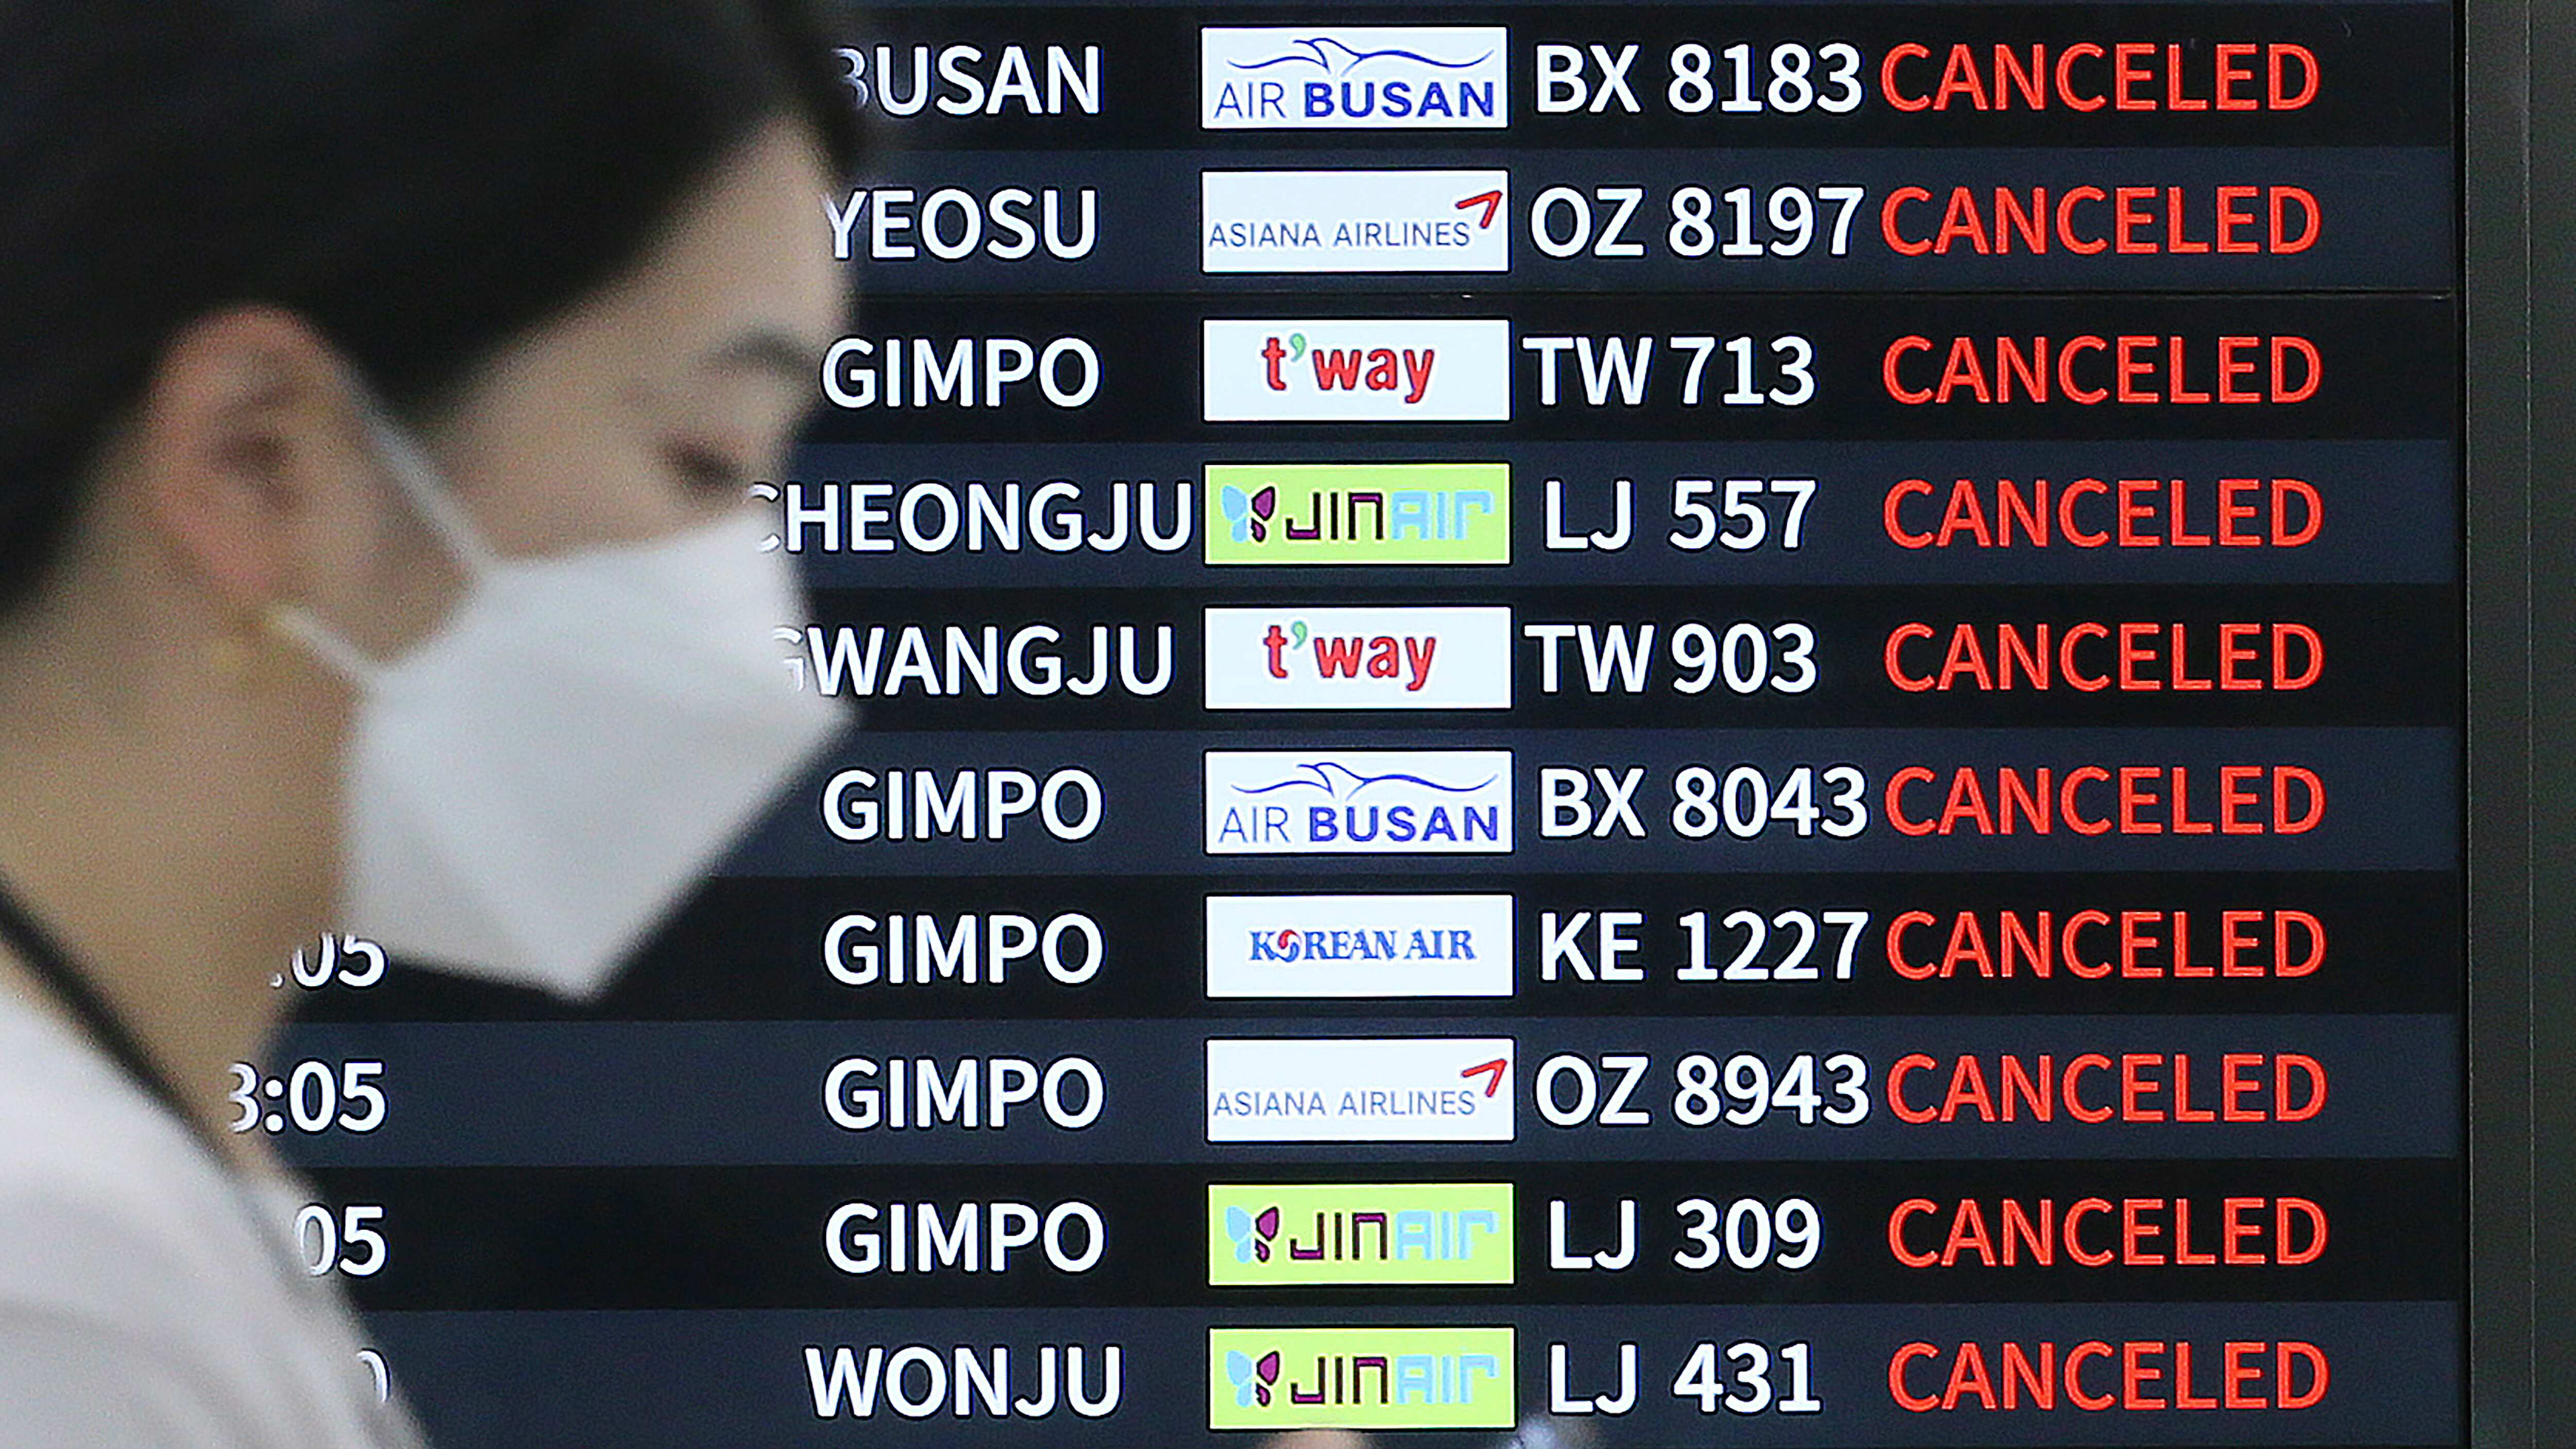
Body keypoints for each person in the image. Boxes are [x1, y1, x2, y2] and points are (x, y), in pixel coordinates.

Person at [0, 2, 860, 1442]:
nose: (761, 620)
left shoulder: (138, 1195)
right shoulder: (55, 1291)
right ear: (258, 454)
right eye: (703, 459)